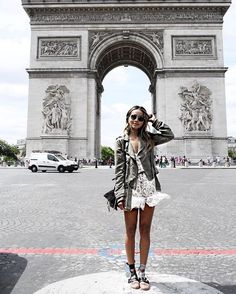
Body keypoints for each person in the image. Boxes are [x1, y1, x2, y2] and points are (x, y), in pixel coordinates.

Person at [114, 105, 174, 290]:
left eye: (141, 118)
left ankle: (143, 271)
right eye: (133, 116)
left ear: (144, 120)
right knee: (130, 231)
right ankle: (131, 271)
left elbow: (169, 134)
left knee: (145, 230)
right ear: (128, 118)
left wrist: (154, 120)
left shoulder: (150, 138)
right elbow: (119, 171)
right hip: (131, 190)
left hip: (148, 188)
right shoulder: (120, 142)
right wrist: (119, 194)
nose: (136, 120)